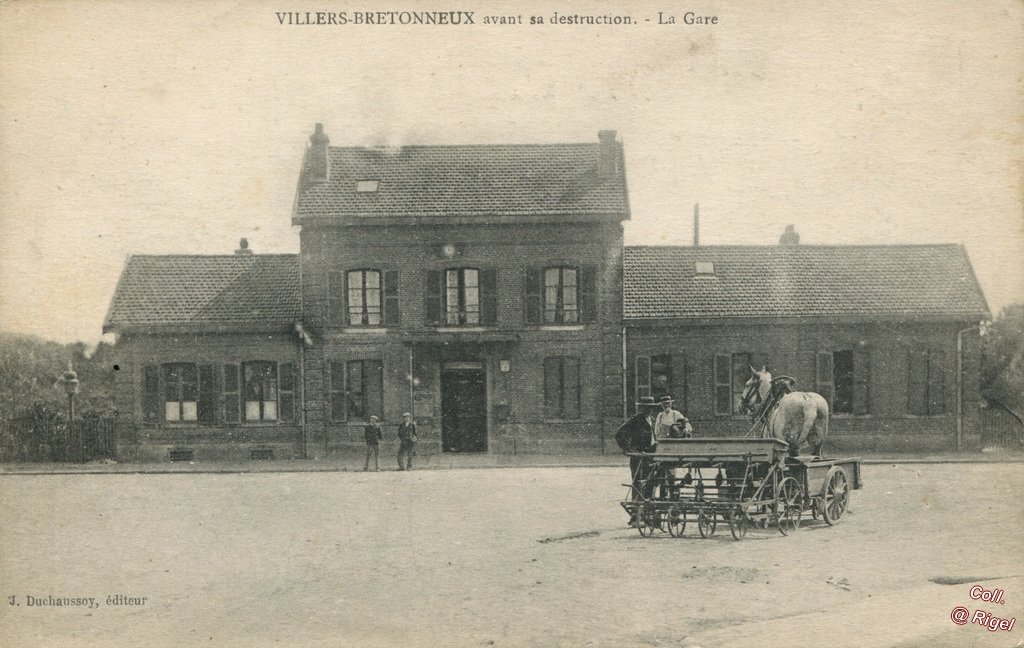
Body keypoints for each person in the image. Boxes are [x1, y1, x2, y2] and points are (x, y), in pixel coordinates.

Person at [614, 396, 659, 502]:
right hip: (639, 456)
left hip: (651, 455)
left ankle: (648, 509)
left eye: (651, 407)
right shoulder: (636, 420)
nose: (649, 410)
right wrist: (629, 449)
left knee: (650, 481)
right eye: (647, 407)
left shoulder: (652, 419)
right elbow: (619, 434)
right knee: (638, 482)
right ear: (642, 408)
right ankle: (636, 510)